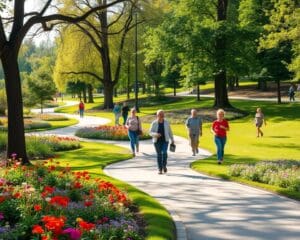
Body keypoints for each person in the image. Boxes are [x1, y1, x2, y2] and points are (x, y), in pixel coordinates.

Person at [149, 110, 174, 174]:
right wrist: (156, 134)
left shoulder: (166, 122)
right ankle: (160, 169)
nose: (162, 116)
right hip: (156, 141)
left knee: (164, 152)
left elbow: (170, 131)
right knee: (159, 154)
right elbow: (150, 133)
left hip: (165, 141)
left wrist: (172, 139)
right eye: (160, 114)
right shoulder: (154, 123)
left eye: (163, 114)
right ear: (157, 115)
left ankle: (164, 166)